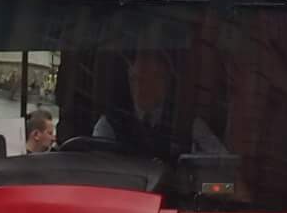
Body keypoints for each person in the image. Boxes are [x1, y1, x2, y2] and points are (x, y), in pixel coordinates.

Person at [93, 46, 227, 157]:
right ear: (129, 80)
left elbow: (223, 169)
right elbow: (99, 173)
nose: (141, 88)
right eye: (136, 79)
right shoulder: (109, 123)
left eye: (153, 79)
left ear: (166, 83)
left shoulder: (187, 124)